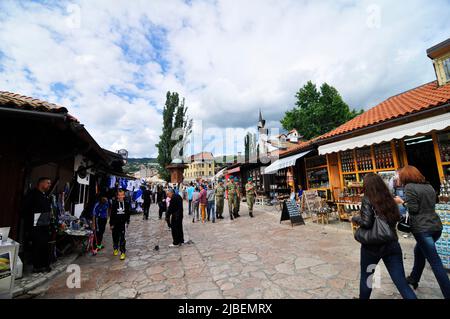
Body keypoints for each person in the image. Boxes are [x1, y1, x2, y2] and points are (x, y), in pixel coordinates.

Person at [351, 173, 416, 299]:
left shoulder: (367, 198)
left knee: (368, 277)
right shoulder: (389, 198)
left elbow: (366, 222)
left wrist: (354, 218)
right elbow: (397, 217)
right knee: (401, 282)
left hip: (372, 247)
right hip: (391, 244)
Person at [395, 165, 450, 298]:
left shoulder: (409, 187)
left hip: (422, 229)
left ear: (406, 176)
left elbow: (413, 209)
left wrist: (401, 202)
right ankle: (414, 278)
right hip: (436, 226)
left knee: (435, 262)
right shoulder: (429, 186)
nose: (399, 178)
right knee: (418, 251)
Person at [22, 177, 53, 273]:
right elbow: (25, 210)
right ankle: (37, 267)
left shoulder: (44, 195)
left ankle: (44, 265)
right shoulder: (33, 195)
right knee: (37, 246)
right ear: (41, 184)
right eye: (48, 183)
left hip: (44, 225)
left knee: (44, 246)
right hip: (36, 226)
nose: (49, 185)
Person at [110, 189, 131, 261]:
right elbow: (112, 214)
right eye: (119, 195)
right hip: (115, 224)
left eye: (122, 195)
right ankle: (115, 248)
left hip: (122, 224)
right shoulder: (114, 203)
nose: (120, 196)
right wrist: (111, 224)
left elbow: (128, 213)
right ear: (117, 196)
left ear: (124, 195)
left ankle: (122, 252)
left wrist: (127, 221)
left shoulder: (127, 203)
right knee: (115, 237)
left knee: (122, 238)